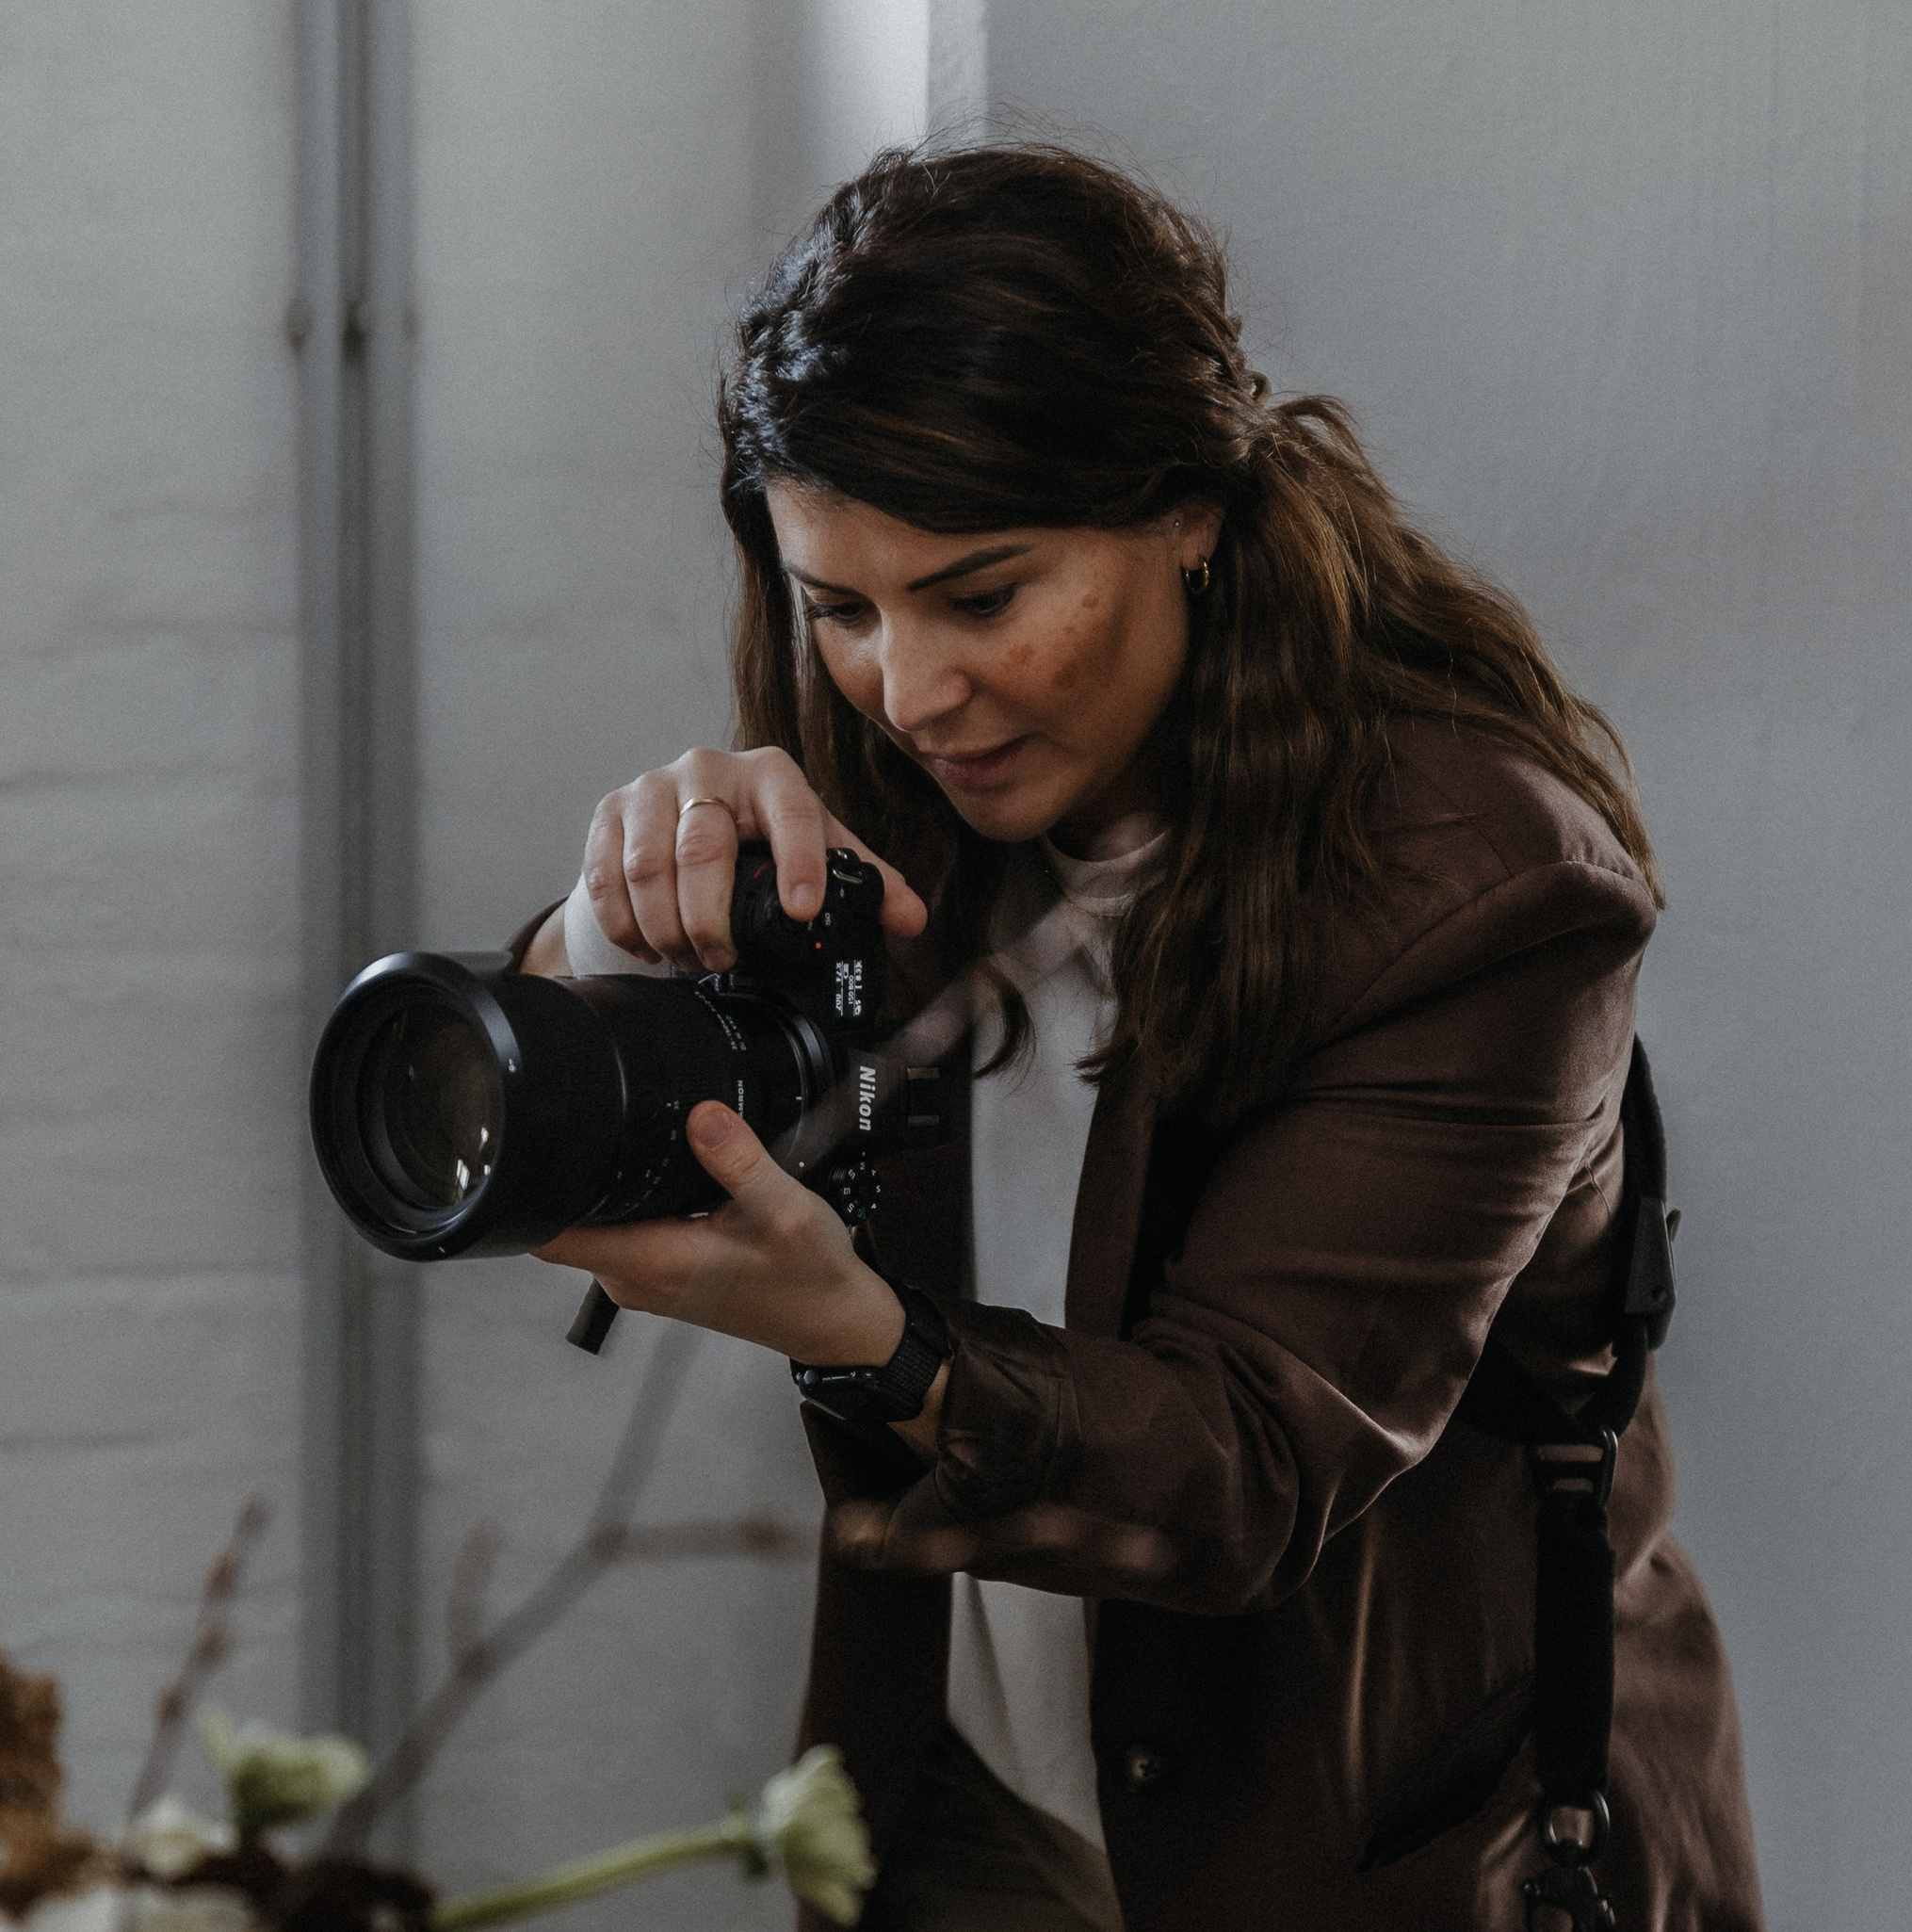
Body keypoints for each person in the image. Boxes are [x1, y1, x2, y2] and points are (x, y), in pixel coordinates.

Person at [514, 145, 1762, 1930]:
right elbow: (582, 1103)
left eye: (983, 593)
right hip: (971, 1813)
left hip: (1364, 1856)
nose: (910, 690)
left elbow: (1243, 1473)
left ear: (1190, 508)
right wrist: (598, 926)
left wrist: (866, 1340)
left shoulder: (1484, 890)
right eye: (841, 609)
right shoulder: (891, 787)